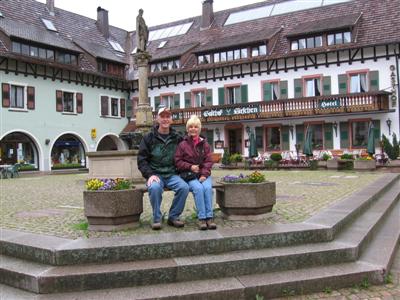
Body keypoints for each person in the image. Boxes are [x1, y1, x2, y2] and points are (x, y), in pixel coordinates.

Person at [137, 106, 189, 230]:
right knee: (154, 188)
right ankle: (156, 218)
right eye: (162, 116)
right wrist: (149, 175)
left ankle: (173, 217)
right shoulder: (148, 138)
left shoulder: (177, 137)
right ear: (157, 119)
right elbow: (141, 159)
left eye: (168, 116)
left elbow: (186, 153)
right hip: (155, 174)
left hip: (172, 174)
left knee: (184, 187)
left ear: (171, 119)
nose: (165, 119)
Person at [174, 115, 216, 230]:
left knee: (207, 189)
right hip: (190, 176)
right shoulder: (182, 144)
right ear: (187, 129)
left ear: (199, 129)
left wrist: (204, 174)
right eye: (191, 127)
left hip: (204, 175)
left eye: (196, 127)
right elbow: (178, 162)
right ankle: (202, 218)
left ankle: (209, 217)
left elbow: (208, 161)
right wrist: (190, 166)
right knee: (198, 189)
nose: (193, 129)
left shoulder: (205, 144)